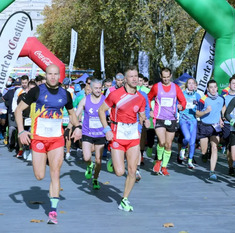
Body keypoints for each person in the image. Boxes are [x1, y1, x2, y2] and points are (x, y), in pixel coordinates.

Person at [14, 64, 82, 224]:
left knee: (55, 173)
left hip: (56, 140)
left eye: (55, 74)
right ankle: (42, 159)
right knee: (39, 176)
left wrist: (78, 127)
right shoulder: (36, 91)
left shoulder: (65, 94)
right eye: (49, 74)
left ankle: (53, 211)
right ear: (46, 75)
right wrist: (22, 131)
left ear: (59, 76)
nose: (52, 77)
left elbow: (72, 114)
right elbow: (18, 110)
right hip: (38, 138)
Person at [98, 66, 148, 212]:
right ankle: (113, 160)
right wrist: (106, 129)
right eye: (131, 76)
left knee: (132, 170)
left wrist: (145, 120)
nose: (134, 79)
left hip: (133, 135)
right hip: (117, 134)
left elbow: (142, 114)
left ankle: (124, 199)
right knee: (120, 172)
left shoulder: (141, 97)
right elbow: (102, 110)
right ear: (125, 79)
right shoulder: (115, 94)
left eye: (136, 76)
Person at [148, 67, 186, 176]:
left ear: (170, 76)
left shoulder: (175, 87)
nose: (165, 79)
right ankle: (158, 161)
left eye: (167, 77)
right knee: (162, 142)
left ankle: (164, 167)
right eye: (163, 77)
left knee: (168, 145)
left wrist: (181, 106)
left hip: (171, 119)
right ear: (161, 76)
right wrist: (149, 110)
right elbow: (148, 98)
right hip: (159, 118)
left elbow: (183, 101)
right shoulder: (156, 87)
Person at [75, 78, 106, 190]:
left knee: (98, 160)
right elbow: (76, 114)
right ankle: (89, 165)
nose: (98, 90)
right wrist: (73, 126)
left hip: (101, 134)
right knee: (87, 157)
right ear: (91, 88)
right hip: (87, 133)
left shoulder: (105, 100)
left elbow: (113, 113)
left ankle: (95, 179)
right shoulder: (84, 100)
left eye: (100, 88)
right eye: (96, 88)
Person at [196, 80, 225, 180]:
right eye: (211, 87)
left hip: (215, 126)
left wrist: (221, 119)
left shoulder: (221, 98)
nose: (213, 89)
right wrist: (205, 111)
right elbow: (197, 114)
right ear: (207, 89)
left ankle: (212, 171)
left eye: (214, 87)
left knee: (214, 147)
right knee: (204, 151)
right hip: (204, 126)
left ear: (217, 88)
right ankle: (205, 154)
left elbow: (221, 110)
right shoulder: (203, 99)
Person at [221, 75, 235, 176]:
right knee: (230, 146)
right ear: (229, 85)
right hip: (228, 124)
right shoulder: (224, 97)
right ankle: (230, 167)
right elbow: (222, 108)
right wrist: (223, 117)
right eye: (233, 83)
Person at [179, 78, 201, 168]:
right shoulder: (182, 94)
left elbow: (200, 107)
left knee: (192, 142)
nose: (191, 85)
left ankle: (190, 160)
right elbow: (177, 104)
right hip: (183, 119)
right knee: (187, 137)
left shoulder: (198, 95)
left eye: (193, 83)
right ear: (187, 85)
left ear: (195, 85)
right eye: (189, 83)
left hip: (193, 120)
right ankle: (183, 148)